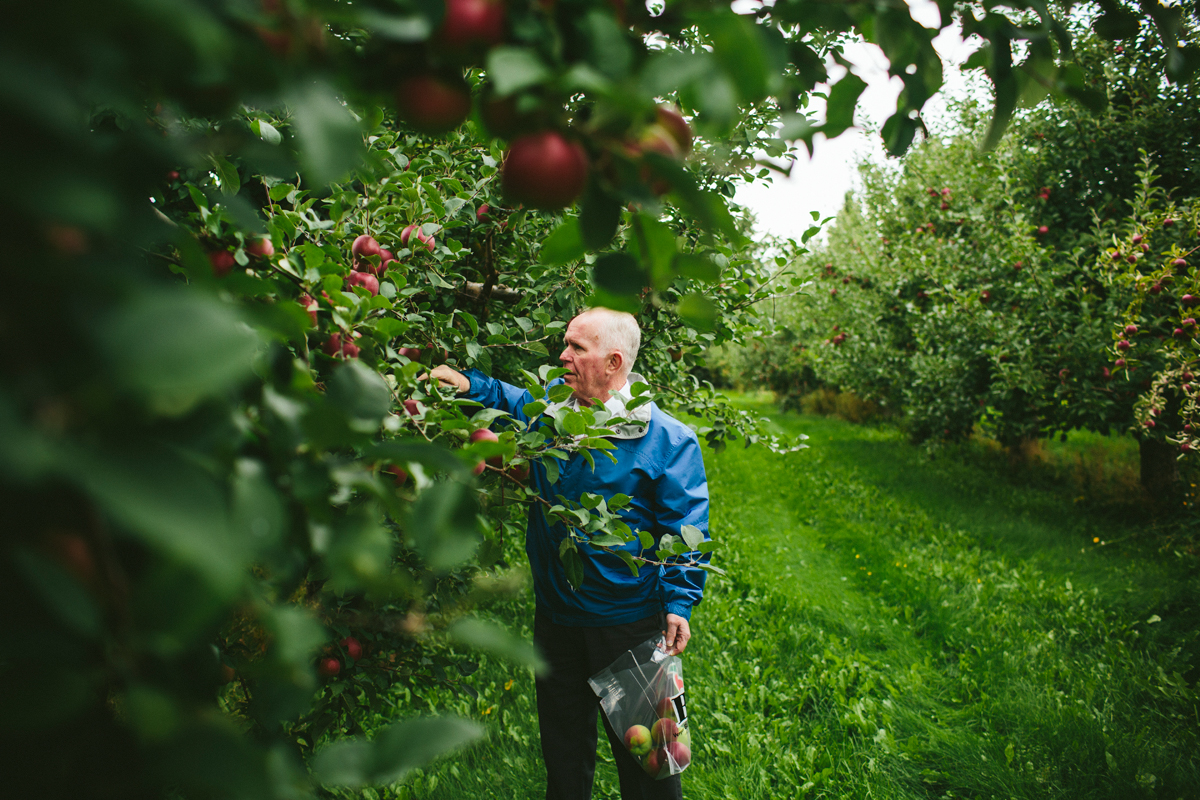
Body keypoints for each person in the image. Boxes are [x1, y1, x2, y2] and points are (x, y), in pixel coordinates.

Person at [429, 307, 709, 800]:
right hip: (557, 619)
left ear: (613, 362)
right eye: (566, 343)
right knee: (563, 762)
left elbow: (686, 529)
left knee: (655, 768)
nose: (563, 355)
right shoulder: (555, 414)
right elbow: (510, 397)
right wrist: (465, 382)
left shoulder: (667, 440)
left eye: (577, 347)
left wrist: (679, 602)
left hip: (630, 625)